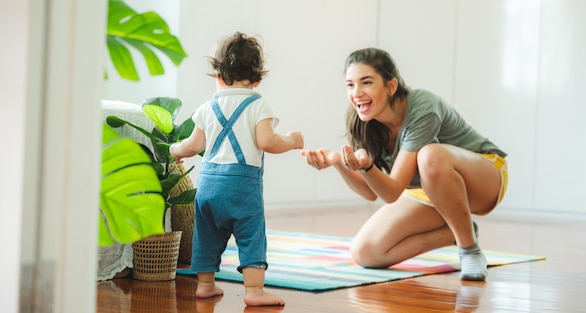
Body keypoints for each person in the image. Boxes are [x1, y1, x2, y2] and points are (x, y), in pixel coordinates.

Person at [300, 47, 508, 281]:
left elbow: (393, 191)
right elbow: (371, 192)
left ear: (391, 86)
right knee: (366, 253)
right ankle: (459, 230)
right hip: (429, 192)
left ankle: (469, 250)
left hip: (484, 177)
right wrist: (339, 163)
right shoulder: (362, 121)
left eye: (366, 82)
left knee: (430, 155)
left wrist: (368, 167)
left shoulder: (422, 107)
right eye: (350, 85)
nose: (357, 93)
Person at [170, 31, 303, 306]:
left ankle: (205, 285)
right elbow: (267, 141)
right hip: (242, 187)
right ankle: (254, 291)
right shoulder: (258, 104)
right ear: (257, 79)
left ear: (218, 75)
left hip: (208, 185)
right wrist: (291, 141)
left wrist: (174, 151)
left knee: (206, 234)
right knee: (251, 233)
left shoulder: (208, 107)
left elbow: (193, 146)